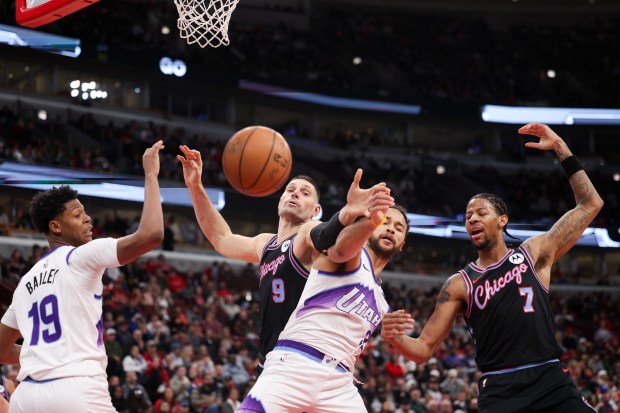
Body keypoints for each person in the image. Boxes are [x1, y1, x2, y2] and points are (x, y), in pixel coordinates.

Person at [381, 123, 604, 413]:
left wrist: (561, 148)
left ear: (502, 220)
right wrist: (394, 338)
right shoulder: (459, 283)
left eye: (482, 212)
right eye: (468, 215)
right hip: (500, 390)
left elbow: (590, 204)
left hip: (551, 380)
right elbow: (423, 349)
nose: (472, 218)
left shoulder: (533, 253)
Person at [177, 145, 393, 370]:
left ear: (315, 210)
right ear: (280, 200)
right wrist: (195, 186)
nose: (296, 193)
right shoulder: (265, 243)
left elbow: (324, 236)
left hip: (303, 358)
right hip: (272, 360)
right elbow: (221, 238)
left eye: (305, 192)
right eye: (290, 189)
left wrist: (347, 213)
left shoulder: (307, 232)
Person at [0, 140, 165, 413]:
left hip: (26, 398)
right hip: (76, 390)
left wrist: (41, 354)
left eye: (86, 213)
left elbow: (2, 349)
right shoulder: (81, 256)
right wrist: (150, 175)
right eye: (78, 215)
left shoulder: (24, 283)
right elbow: (151, 235)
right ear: (55, 227)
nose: (88, 219)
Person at [238, 204, 410, 412]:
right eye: (385, 222)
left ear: (402, 244)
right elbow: (341, 245)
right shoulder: (351, 256)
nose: (391, 229)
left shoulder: (382, 300)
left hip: (339, 383)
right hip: (295, 363)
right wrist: (369, 219)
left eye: (398, 227)